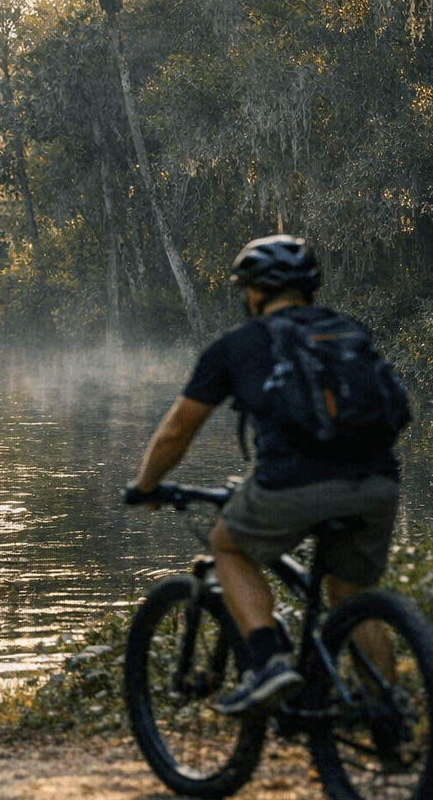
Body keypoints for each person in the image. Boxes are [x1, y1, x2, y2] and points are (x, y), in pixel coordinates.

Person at [127, 235, 405, 715]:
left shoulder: (237, 346)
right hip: (378, 481)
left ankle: (269, 663)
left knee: (229, 545)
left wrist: (146, 484)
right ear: (309, 288)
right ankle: (386, 711)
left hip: (295, 483)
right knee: (350, 596)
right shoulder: (347, 329)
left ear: (252, 292)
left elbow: (176, 433)